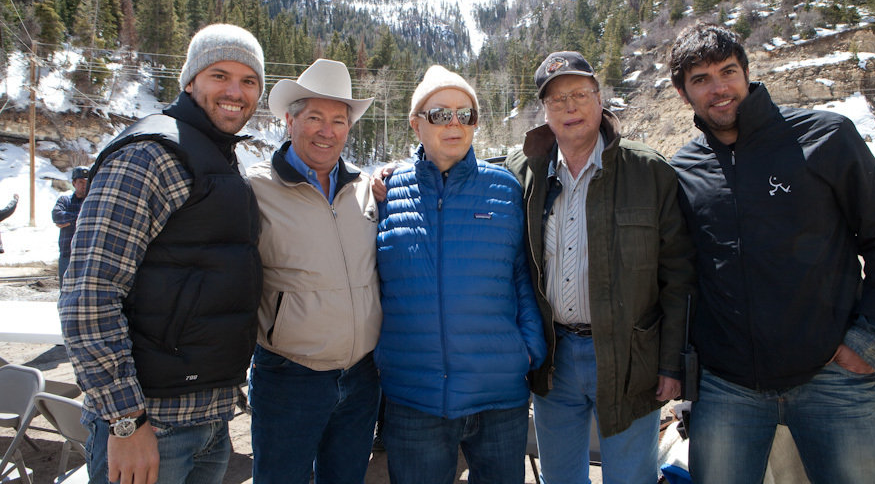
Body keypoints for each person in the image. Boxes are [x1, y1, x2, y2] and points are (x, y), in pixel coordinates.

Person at [668, 22, 875, 484]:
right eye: (701, 79)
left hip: (833, 376)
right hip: (727, 387)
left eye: (727, 71)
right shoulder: (683, 169)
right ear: (683, 93)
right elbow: (679, 273)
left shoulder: (826, 137)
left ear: (748, 72)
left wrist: (872, 336)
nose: (719, 89)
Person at [59, 23, 266, 484]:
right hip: (152, 421)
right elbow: (88, 295)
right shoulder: (149, 156)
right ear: (190, 81)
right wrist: (125, 421)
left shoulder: (216, 154)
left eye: (249, 81)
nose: (235, 91)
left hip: (207, 418)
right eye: (219, 75)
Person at [503, 51, 695, 484]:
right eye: (556, 100)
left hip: (629, 359)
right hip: (554, 360)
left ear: (599, 97)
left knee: (631, 478)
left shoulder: (648, 170)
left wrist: (671, 363)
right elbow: (465, 181)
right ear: (544, 111)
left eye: (579, 94)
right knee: (561, 478)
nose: (569, 108)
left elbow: (679, 276)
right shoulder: (524, 172)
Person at [376, 66, 547, 484]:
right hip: (414, 398)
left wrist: (528, 349)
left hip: (499, 397)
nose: (455, 124)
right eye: (439, 114)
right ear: (416, 123)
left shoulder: (505, 188)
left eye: (465, 114)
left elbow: (522, 274)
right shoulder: (384, 193)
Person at [247, 58, 381, 483]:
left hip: (362, 377)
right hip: (290, 377)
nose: (328, 131)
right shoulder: (255, 188)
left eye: (338, 121)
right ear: (290, 120)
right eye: (315, 118)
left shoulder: (367, 188)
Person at [52, 166, 89, 279]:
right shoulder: (65, 200)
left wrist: (69, 221)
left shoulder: (92, 202)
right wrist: (81, 219)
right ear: (73, 183)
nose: (84, 185)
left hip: (87, 255)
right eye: (80, 182)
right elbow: (57, 216)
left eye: (87, 182)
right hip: (67, 254)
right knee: (64, 291)